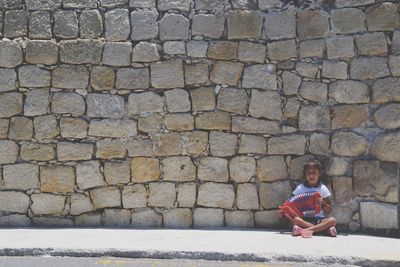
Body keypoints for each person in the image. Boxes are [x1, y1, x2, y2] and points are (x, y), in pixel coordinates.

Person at [289, 159, 337, 237]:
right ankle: (324, 230)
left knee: (332, 220)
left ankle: (304, 231)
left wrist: (323, 204)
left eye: (314, 172)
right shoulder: (300, 188)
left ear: (319, 174)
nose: (312, 175)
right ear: (305, 174)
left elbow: (328, 210)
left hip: (319, 220)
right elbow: (290, 204)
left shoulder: (322, 188)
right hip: (304, 219)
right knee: (296, 220)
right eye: (309, 173)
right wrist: (284, 211)